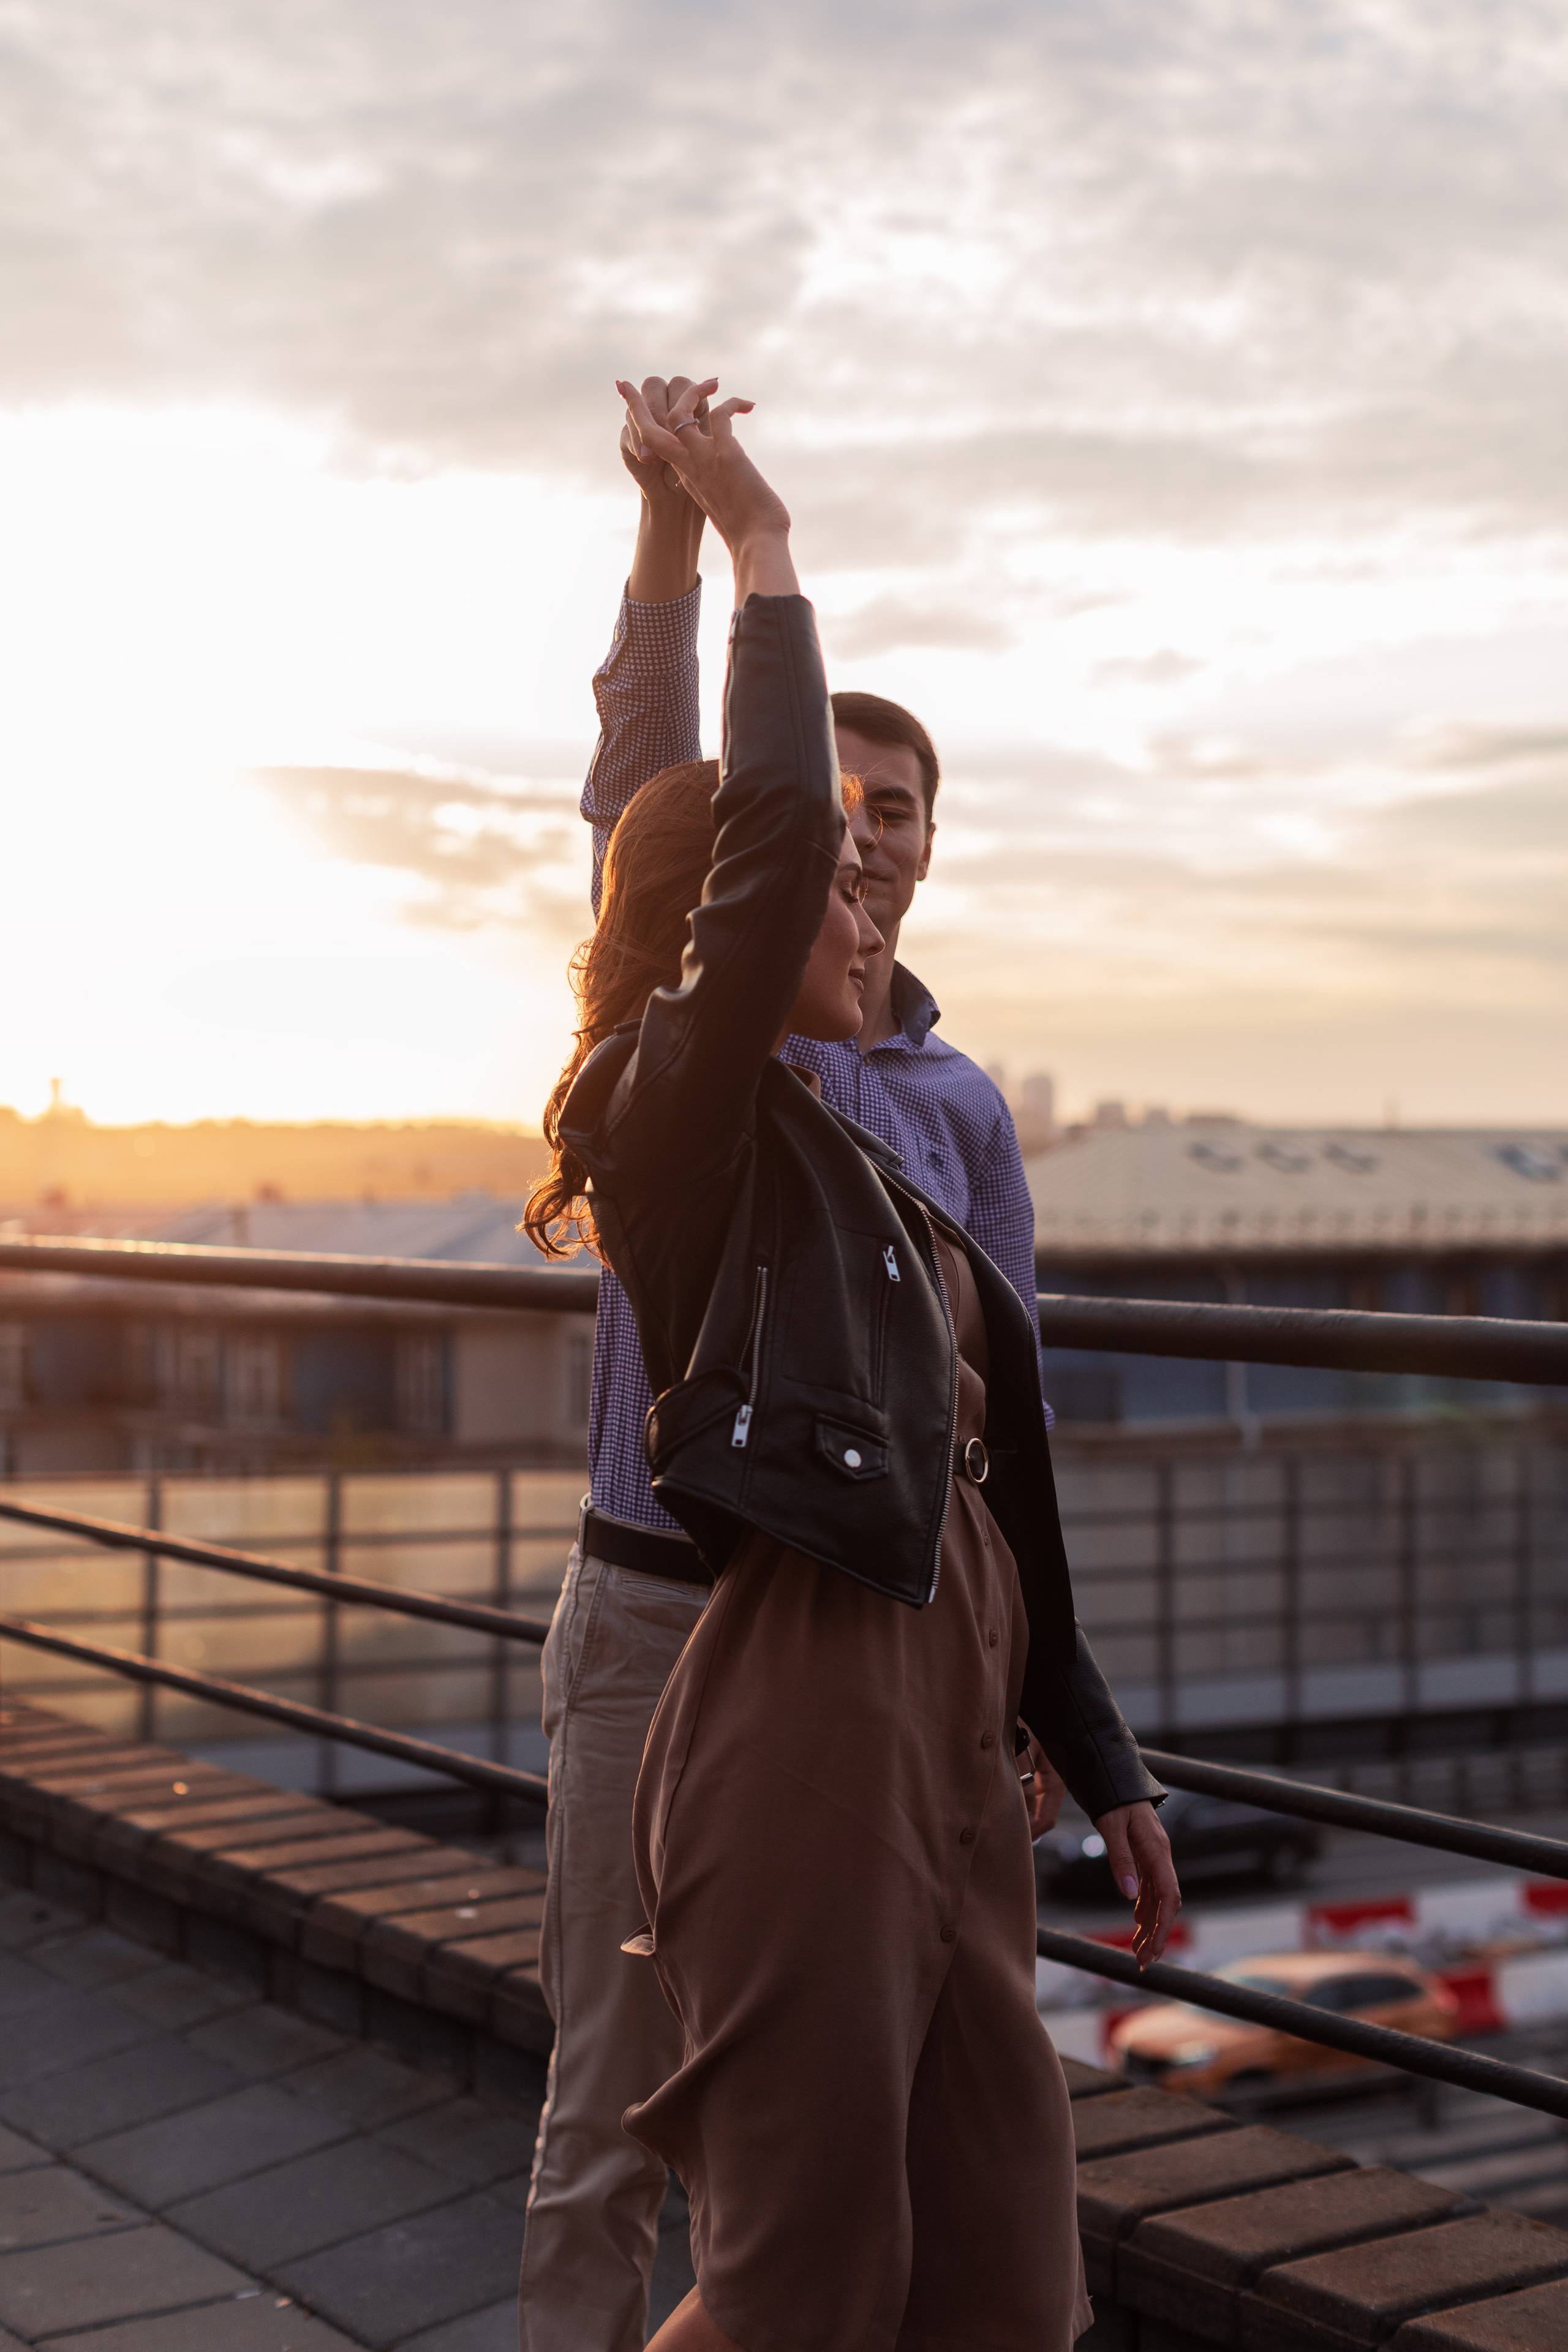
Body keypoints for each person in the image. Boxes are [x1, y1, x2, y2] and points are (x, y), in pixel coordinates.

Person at [534, 378, 1178, 2352]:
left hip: (931, 1663)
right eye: (823, 844)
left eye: (884, 838)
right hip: (713, 1639)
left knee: (993, 2232)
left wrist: (1078, 1727)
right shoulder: (683, 1091)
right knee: (680, 2173)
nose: (861, 880)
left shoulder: (942, 1108)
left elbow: (1004, 1444)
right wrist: (723, 537)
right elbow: (672, 808)